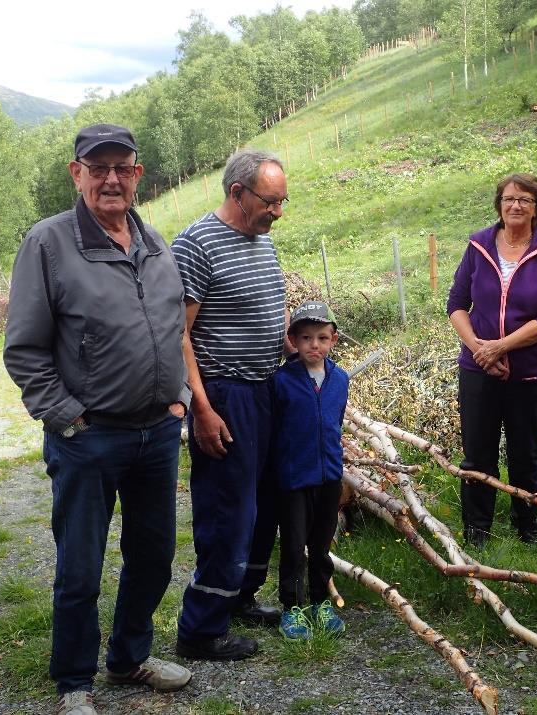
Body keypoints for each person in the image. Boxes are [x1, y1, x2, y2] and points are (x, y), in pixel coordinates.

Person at [4, 123, 192, 715]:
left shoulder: (154, 243)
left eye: (123, 167)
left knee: (154, 555)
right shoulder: (48, 243)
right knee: (81, 565)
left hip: (157, 432)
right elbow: (25, 349)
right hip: (89, 438)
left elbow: (171, 329)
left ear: (138, 175)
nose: (111, 178)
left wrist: (180, 396)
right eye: (98, 166)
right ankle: (74, 682)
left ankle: (130, 656)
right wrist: (65, 416)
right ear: (77, 172)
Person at [172, 149, 288, 660]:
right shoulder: (195, 244)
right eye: (270, 202)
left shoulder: (261, 241)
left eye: (284, 202)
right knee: (228, 508)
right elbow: (179, 335)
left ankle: (239, 596)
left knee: (264, 501)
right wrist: (201, 408)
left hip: (268, 388)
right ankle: (200, 629)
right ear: (237, 192)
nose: (278, 213)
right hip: (224, 394)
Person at [446, 173, 537, 548]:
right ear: (499, 204)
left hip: (529, 372)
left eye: (525, 200)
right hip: (478, 370)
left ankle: (527, 531)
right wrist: (480, 350)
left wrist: (501, 347)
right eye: (509, 199)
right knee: (477, 454)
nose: (516, 206)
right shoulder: (478, 244)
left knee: (524, 455)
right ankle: (477, 532)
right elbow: (456, 304)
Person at [271, 301, 349, 640]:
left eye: (321, 338)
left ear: (333, 340)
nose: (313, 345)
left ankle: (320, 602)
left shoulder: (340, 379)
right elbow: (273, 428)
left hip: (329, 476)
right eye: (305, 338)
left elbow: (335, 422)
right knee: (293, 545)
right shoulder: (281, 381)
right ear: (293, 340)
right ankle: (293, 607)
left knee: (321, 543)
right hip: (293, 478)